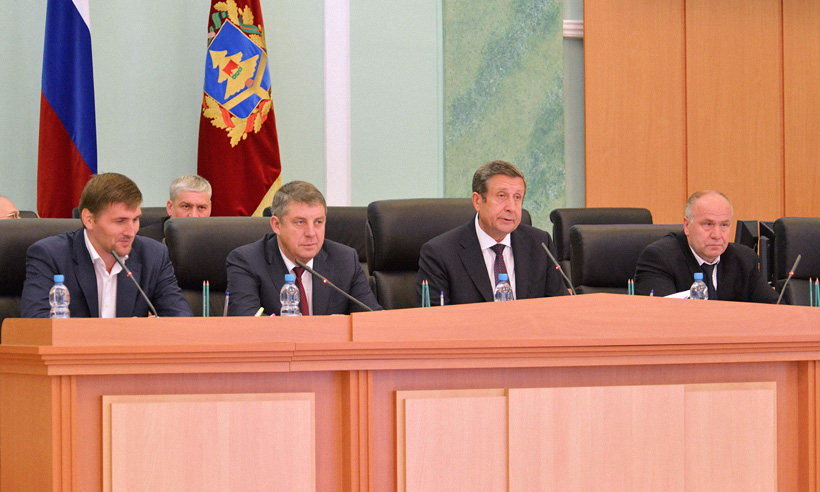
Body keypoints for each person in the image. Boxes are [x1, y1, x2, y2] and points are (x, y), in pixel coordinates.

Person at [21, 173, 193, 317]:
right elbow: (36, 323)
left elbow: (181, 319)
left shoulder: (153, 255)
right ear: (89, 219)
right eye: (120, 221)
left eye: (135, 220)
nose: (131, 232)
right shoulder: (50, 255)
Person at [416, 160, 568, 305]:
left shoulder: (540, 244)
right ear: (477, 201)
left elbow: (559, 307)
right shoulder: (440, 254)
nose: (511, 207)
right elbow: (434, 318)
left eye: (517, 197)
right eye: (501, 196)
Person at [226, 180, 381, 316]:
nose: (311, 233)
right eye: (300, 222)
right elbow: (245, 321)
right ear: (277, 225)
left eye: (318, 222)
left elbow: (374, 320)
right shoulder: (247, 261)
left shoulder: (345, 260)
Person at [634, 190, 777, 303]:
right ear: (687, 226)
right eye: (708, 224)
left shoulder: (744, 259)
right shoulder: (660, 258)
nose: (717, 235)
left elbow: (777, 309)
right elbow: (660, 317)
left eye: (724, 225)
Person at [139, 174, 212, 241]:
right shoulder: (143, 240)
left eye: (201, 207)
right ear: (170, 207)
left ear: (210, 208)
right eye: (186, 206)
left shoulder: (216, 238)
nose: (194, 216)